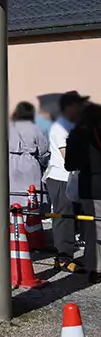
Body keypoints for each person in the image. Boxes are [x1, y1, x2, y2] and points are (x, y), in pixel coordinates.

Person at [45, 90, 89, 273]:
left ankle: (66, 254)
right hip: (60, 177)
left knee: (71, 218)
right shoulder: (61, 127)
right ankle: (63, 257)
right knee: (64, 218)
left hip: (71, 177)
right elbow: (67, 156)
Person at [65, 103, 101, 284]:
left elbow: (70, 164)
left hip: (90, 186)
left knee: (92, 228)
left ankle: (95, 267)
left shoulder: (78, 135)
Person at [9, 101, 50, 207]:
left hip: (10, 163)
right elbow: (43, 149)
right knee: (31, 197)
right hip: (30, 163)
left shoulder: (8, 127)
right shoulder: (34, 128)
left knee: (13, 197)